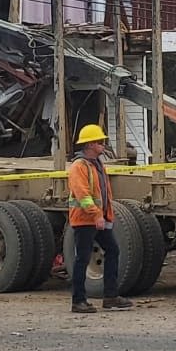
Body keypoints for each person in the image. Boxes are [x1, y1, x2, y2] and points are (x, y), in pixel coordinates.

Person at [66, 123, 135, 313]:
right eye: (100, 142)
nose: (103, 144)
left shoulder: (97, 165)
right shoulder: (78, 167)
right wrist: (97, 214)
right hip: (84, 220)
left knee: (113, 250)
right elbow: (83, 194)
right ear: (90, 145)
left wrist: (106, 215)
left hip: (98, 219)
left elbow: (105, 193)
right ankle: (78, 301)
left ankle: (111, 297)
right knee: (82, 259)